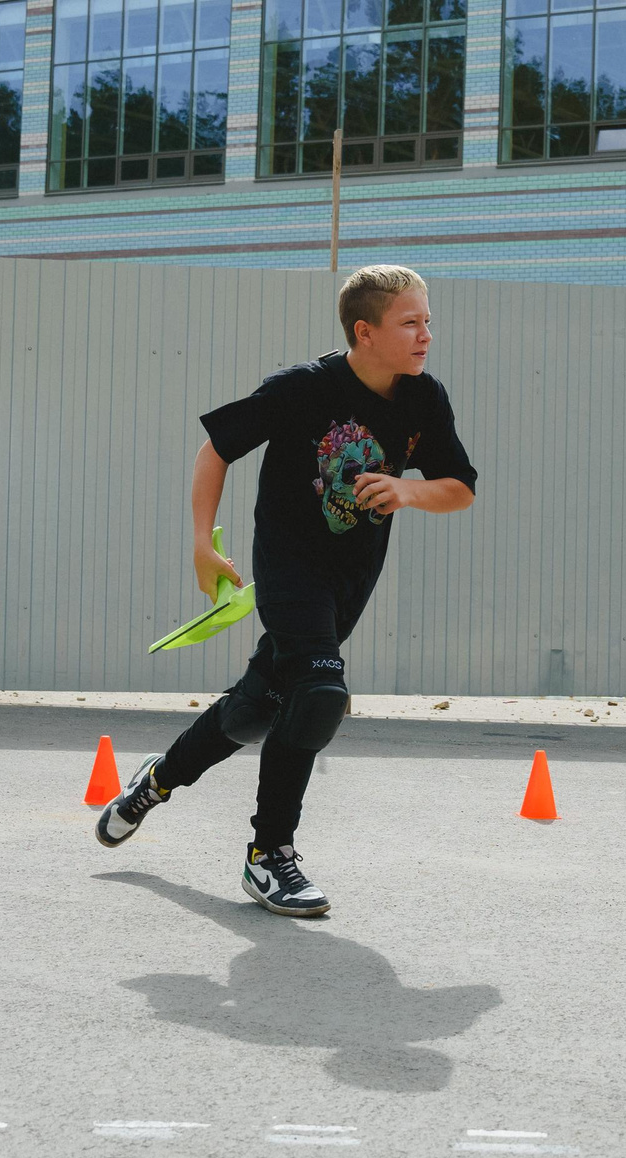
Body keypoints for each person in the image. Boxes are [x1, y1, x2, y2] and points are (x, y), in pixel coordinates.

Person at [95, 264, 477, 917]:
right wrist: (201, 542)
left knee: (257, 708)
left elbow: (460, 487)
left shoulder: (424, 397)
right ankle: (269, 854)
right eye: (411, 322)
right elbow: (216, 449)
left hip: (350, 581)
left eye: (428, 321)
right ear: (365, 331)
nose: (426, 335)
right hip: (288, 567)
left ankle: (154, 781)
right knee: (320, 692)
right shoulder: (303, 388)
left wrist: (408, 489)